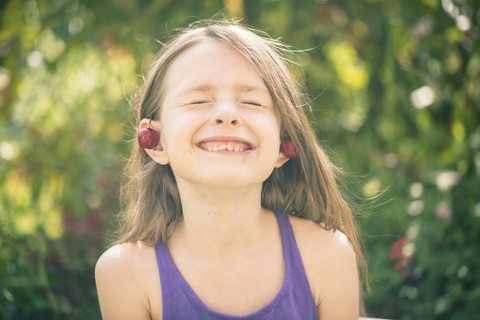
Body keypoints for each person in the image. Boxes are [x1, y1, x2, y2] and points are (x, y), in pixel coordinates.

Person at [95, 19, 366, 320]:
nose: (226, 114)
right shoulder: (125, 273)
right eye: (198, 100)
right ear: (155, 142)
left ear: (283, 143)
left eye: (252, 101)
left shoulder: (326, 255)